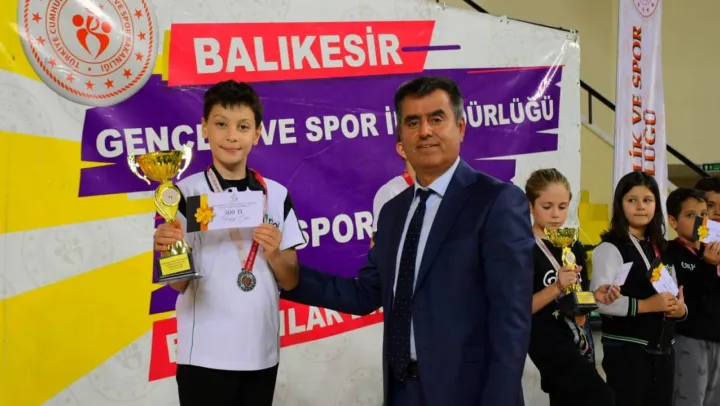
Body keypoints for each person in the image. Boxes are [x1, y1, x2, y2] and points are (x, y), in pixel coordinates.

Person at [281, 75, 534, 406]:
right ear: (400, 137)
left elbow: (510, 318)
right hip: (401, 390)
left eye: (436, 119)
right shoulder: (393, 212)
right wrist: (290, 276)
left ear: (460, 128)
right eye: (412, 122)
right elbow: (365, 293)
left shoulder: (497, 202)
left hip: (468, 394)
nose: (424, 131)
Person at [152, 80, 305, 406]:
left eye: (243, 126)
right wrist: (169, 251)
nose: (232, 136)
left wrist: (275, 254)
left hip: (261, 351)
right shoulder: (183, 194)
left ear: (257, 133)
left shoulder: (276, 195)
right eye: (221, 124)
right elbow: (178, 284)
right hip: (204, 353)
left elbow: (291, 279)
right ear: (204, 129)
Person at [524, 168, 619, 406]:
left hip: (578, 335)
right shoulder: (523, 247)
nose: (556, 214)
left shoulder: (573, 243)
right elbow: (520, 308)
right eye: (547, 207)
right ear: (530, 206)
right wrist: (556, 286)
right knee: (602, 397)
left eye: (563, 206)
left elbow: (578, 296)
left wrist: (595, 297)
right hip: (546, 338)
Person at [590, 171, 684, 406]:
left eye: (647, 200)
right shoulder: (610, 248)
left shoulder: (661, 247)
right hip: (627, 351)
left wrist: (680, 309)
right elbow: (599, 302)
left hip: (664, 349)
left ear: (656, 205)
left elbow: (672, 292)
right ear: (620, 205)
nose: (641, 206)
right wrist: (646, 305)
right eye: (632, 200)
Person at [664, 188, 720, 406]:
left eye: (703, 214)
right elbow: (684, 295)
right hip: (689, 338)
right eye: (690, 215)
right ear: (673, 221)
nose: (700, 221)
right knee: (689, 398)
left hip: (716, 336)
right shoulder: (669, 252)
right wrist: (707, 266)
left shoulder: (711, 250)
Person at [372, 131, 416, 235]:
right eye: (419, 143)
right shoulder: (391, 193)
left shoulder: (447, 186)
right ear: (402, 150)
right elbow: (379, 244)